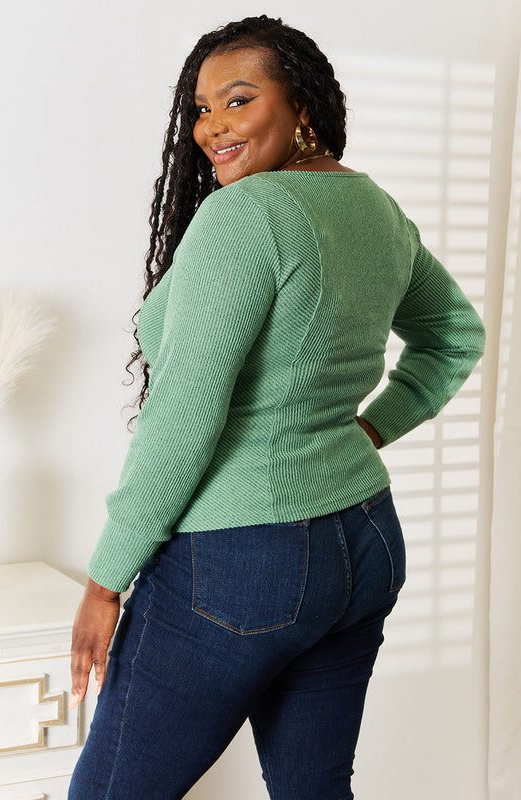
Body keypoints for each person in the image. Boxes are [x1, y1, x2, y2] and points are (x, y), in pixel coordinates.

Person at [68, 14, 485, 800]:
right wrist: (363, 432)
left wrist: (103, 582)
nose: (212, 127)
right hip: (361, 541)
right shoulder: (371, 207)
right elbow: (456, 337)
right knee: (314, 790)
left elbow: (184, 420)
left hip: (239, 563)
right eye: (200, 109)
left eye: (238, 99)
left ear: (300, 104)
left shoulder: (245, 215)